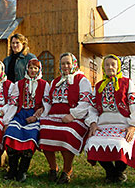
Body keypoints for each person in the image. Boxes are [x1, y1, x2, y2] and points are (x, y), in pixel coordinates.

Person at [84, 54, 135, 183]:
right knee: (94, 142)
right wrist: (93, 123)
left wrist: (133, 125)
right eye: (107, 65)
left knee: (121, 143)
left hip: (124, 123)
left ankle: (119, 172)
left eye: (113, 65)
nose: (110, 67)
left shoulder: (127, 83)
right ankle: (111, 172)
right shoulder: (99, 86)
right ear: (103, 68)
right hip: (103, 123)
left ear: (118, 67)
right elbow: (92, 108)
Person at [39, 52, 92, 184]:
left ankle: (67, 169)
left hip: (74, 117)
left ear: (74, 64)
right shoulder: (55, 81)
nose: (65, 66)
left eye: (68, 63)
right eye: (63, 63)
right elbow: (48, 101)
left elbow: (86, 102)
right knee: (43, 130)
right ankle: (53, 168)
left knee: (67, 133)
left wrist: (73, 115)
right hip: (54, 116)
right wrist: (44, 112)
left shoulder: (81, 80)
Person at [3, 59, 50, 182]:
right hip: (20, 114)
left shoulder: (44, 84)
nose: (33, 70)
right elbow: (13, 103)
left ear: (39, 70)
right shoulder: (18, 84)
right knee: (11, 134)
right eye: (31, 67)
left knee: (30, 139)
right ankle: (12, 169)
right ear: (27, 69)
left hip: (35, 116)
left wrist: (36, 117)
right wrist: (7, 120)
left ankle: (22, 171)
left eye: (36, 68)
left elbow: (46, 105)